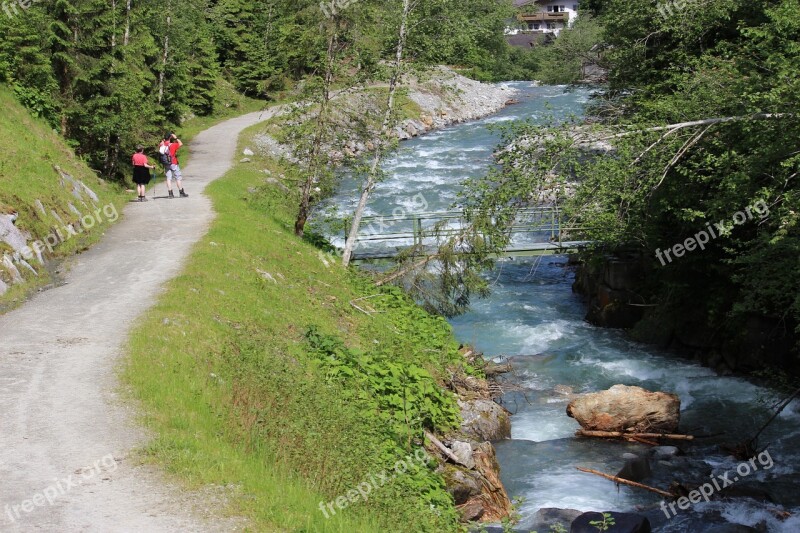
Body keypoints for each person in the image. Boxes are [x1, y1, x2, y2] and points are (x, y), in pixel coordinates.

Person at [163, 133, 188, 198]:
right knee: (178, 177)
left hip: (166, 163)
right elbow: (181, 144)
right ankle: (181, 192)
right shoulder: (173, 145)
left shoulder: (162, 145)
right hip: (173, 163)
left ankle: (170, 194)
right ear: (170, 138)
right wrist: (176, 138)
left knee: (168, 178)